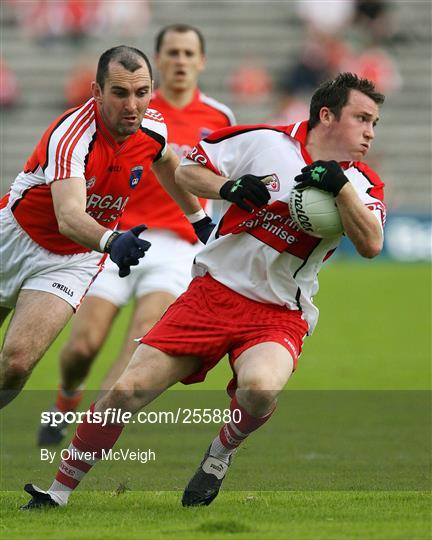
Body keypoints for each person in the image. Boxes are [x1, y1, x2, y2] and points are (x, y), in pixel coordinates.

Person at [22, 72, 386, 509]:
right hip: (211, 295)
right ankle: (56, 494)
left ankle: (219, 455)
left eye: (374, 123)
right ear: (326, 115)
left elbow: (371, 244)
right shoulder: (264, 141)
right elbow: (189, 171)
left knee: (260, 390)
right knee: (125, 391)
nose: (369, 132)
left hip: (277, 313)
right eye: (361, 118)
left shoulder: (363, 184)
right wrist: (226, 187)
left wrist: (340, 188)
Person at [37, 24, 236, 446]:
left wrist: (208, 228)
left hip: (179, 246)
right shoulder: (128, 108)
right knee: (82, 347)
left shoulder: (220, 118)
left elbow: (216, 180)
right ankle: (65, 401)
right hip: (119, 237)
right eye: (172, 53)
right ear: (158, 61)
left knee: (140, 338)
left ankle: (90, 434)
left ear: (201, 61)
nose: (180, 61)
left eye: (188, 53)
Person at [0, 45, 205, 410]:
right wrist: (111, 241)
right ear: (97, 92)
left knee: (16, 364)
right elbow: (69, 216)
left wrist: (199, 221)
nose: (132, 106)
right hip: (13, 237)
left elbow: (168, 163)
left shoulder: (152, 127)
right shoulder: (71, 136)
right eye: (120, 93)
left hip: (70, 260)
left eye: (142, 93)